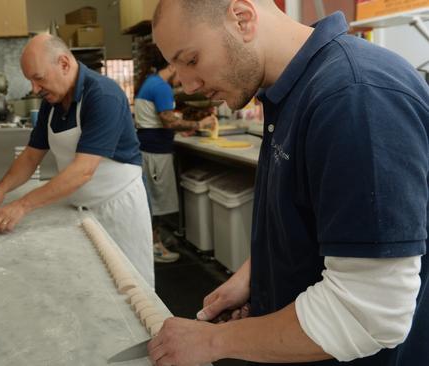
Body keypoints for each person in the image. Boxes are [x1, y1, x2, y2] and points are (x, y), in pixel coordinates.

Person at [149, 0, 429, 365]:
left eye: (191, 59)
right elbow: (312, 218)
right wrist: (256, 275)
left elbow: (369, 313)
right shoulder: (289, 91)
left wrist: (213, 341)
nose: (187, 84)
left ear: (242, 18)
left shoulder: (354, 97)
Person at [0, 34, 154, 286]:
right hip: (78, 207)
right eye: (30, 80)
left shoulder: (103, 95)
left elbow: (82, 171)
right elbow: (30, 156)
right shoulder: (53, 100)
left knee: (132, 287)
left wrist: (22, 205)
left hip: (117, 207)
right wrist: (1, 190)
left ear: (64, 64)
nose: (34, 89)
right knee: (93, 287)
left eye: (38, 78)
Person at [134, 49, 216, 263]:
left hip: (150, 147)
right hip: (155, 153)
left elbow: (160, 121)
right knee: (156, 200)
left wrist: (181, 129)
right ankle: (153, 246)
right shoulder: (161, 87)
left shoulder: (151, 82)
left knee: (154, 198)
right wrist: (201, 123)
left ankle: (155, 240)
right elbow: (168, 121)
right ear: (171, 65)